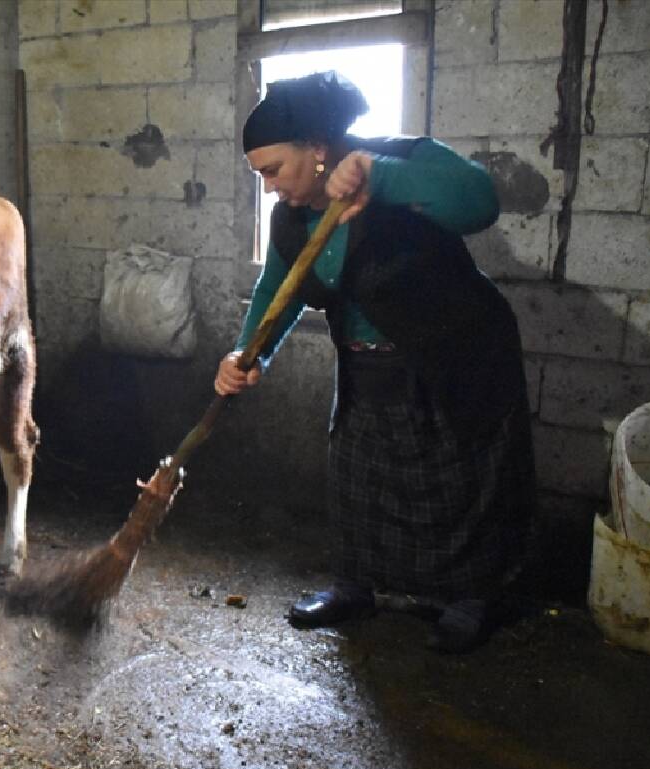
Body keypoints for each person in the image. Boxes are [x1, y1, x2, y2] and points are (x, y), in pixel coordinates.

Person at [217, 71, 536, 653]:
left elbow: (480, 200)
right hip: (368, 365)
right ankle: (355, 588)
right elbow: (277, 288)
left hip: (453, 357)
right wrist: (247, 350)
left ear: (316, 151)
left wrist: (379, 176)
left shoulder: (398, 159)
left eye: (272, 170)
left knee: (462, 483)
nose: (268, 187)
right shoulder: (293, 217)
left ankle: (471, 599)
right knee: (359, 481)